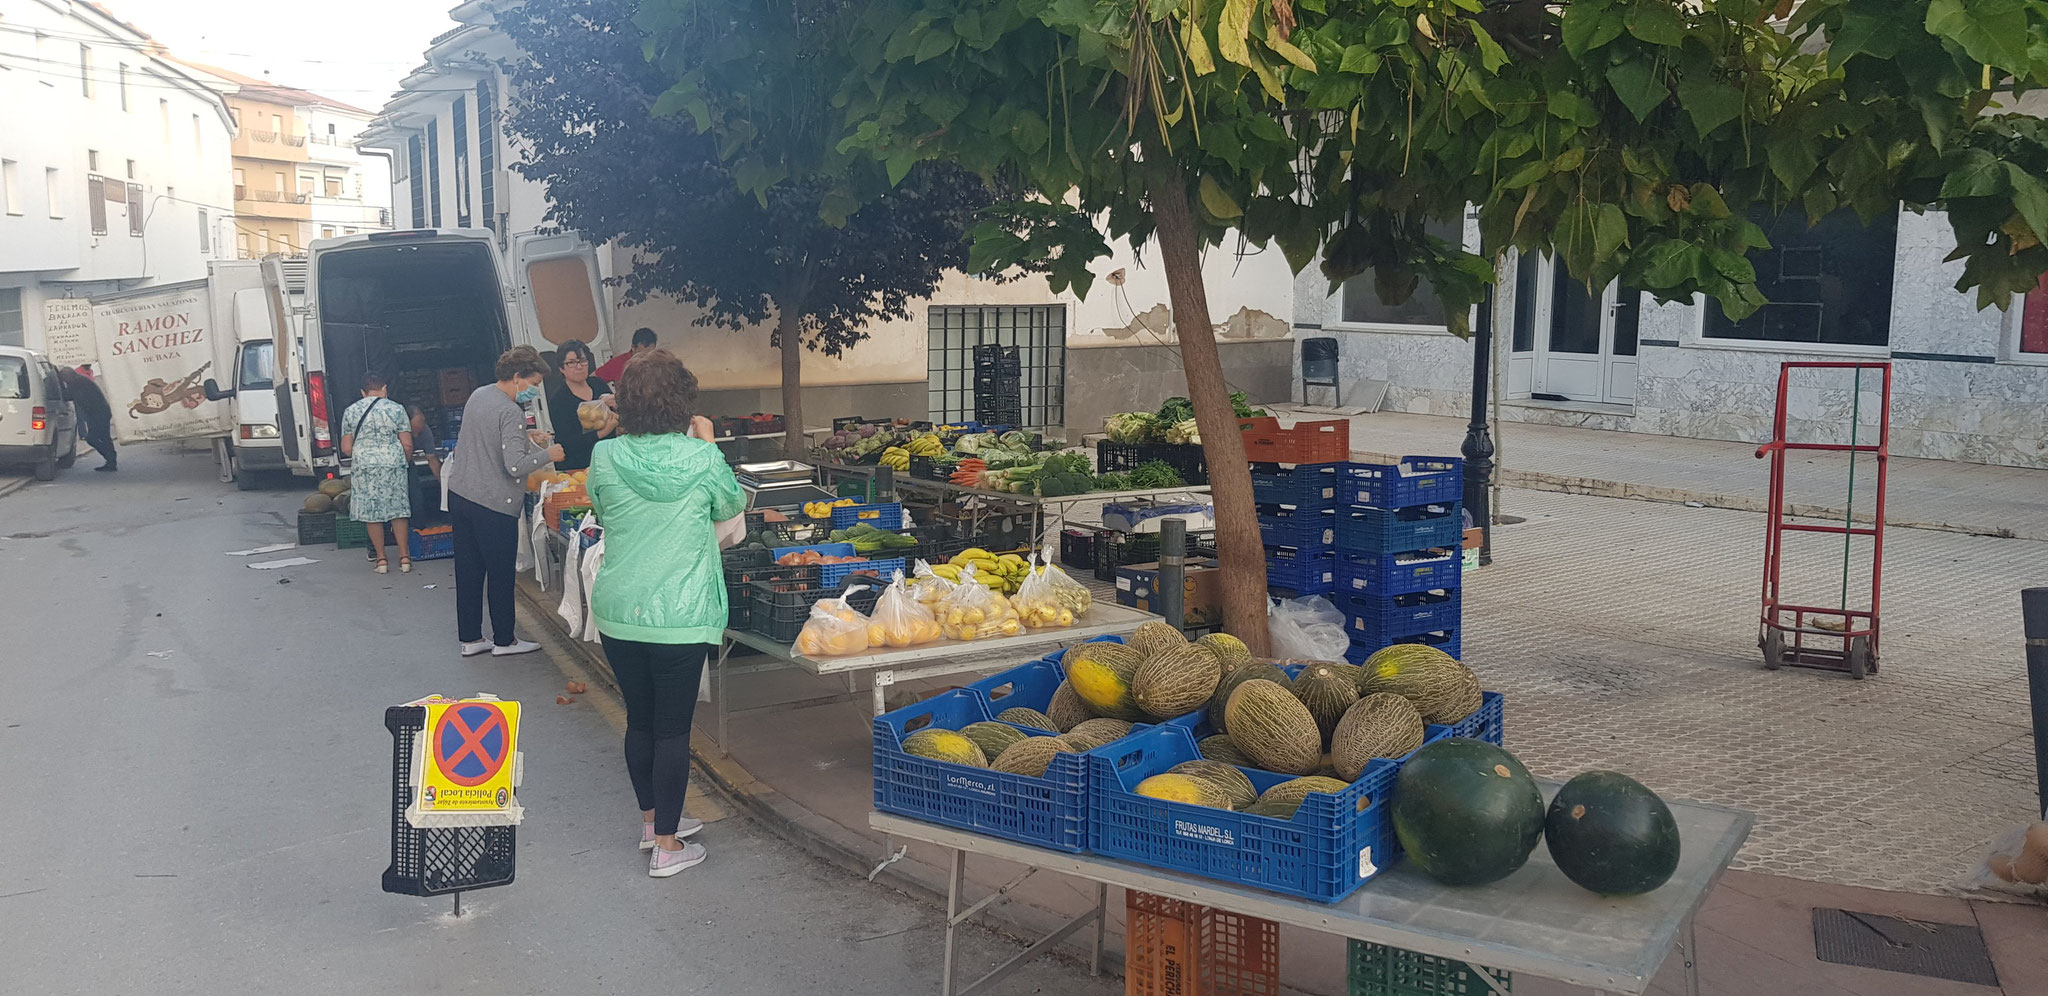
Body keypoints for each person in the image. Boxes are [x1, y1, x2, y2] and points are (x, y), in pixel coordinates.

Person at [586, 349, 739, 877]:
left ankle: (653, 822)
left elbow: (603, 510)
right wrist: (710, 445)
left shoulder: (605, 457)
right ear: (683, 403)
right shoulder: (703, 459)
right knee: (674, 729)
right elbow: (729, 506)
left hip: (621, 607)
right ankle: (669, 847)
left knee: (642, 721)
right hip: (682, 610)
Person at [443, 345, 564, 657]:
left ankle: (470, 638)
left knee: (469, 571)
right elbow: (513, 466)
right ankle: (504, 640)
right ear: (517, 377)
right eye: (533, 383)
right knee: (499, 573)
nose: (535, 390)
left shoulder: (479, 395)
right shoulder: (511, 411)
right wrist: (547, 454)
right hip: (493, 504)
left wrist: (526, 438)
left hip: (461, 494)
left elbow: (487, 438)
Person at [339, 373, 415, 574]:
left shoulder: (351, 411)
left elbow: (346, 447)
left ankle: (381, 560)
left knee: (372, 513)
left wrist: (364, 451)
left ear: (363, 392)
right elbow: (407, 443)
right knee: (398, 510)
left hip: (365, 466)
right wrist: (402, 460)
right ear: (384, 389)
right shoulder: (396, 409)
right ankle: (404, 558)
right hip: (393, 463)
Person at [548, 339, 617, 471]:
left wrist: (616, 406)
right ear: (561, 368)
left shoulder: (598, 385)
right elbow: (567, 443)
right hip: (579, 466)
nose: (579, 366)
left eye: (583, 360)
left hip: (608, 459)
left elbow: (616, 415)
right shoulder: (559, 400)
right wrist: (602, 433)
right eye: (572, 363)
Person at [57, 366, 115, 471]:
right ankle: (111, 461)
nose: (64, 381)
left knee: (93, 438)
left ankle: (111, 459)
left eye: (64, 378)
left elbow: (67, 396)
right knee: (104, 438)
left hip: (98, 413)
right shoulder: (79, 380)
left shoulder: (77, 382)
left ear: (68, 376)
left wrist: (57, 390)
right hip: (98, 412)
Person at [591, 327, 658, 383]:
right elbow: (592, 379)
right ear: (633, 348)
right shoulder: (619, 363)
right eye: (642, 354)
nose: (646, 358)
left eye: (650, 354)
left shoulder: (659, 364)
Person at [407, 405, 443, 478]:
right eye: (413, 432)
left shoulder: (425, 431)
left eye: (419, 432)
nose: (416, 436)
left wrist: (443, 484)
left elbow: (432, 458)